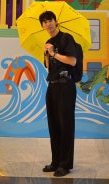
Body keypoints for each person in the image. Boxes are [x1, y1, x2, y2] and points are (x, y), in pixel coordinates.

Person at [39, 10, 77, 177]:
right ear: (42, 26)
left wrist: (54, 53)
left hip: (66, 86)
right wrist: (47, 54)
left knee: (65, 125)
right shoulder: (48, 42)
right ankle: (55, 162)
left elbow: (72, 61)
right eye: (45, 22)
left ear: (56, 21)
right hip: (52, 86)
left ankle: (65, 164)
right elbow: (49, 67)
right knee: (53, 125)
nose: (48, 24)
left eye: (50, 20)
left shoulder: (66, 38)